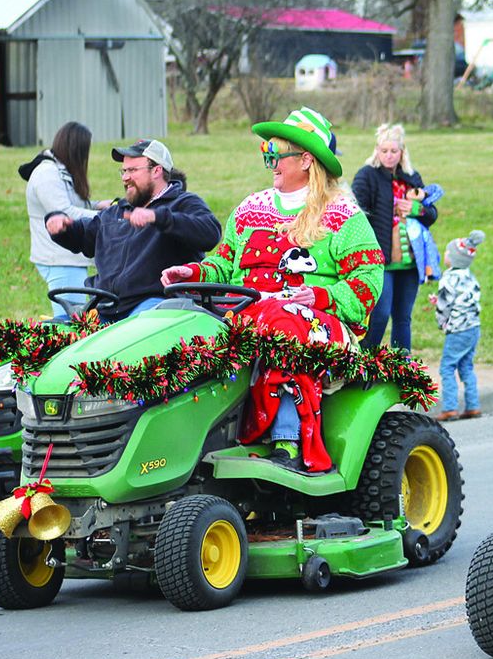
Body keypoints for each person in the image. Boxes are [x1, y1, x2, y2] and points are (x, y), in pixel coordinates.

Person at [160, 108, 383, 473]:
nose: (270, 164)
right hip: (247, 312)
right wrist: (193, 270)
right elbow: (224, 264)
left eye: (275, 156)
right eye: (267, 155)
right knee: (177, 321)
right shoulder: (251, 209)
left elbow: (369, 279)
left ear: (307, 160)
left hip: (318, 322)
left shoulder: (342, 214)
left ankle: (288, 438)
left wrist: (322, 297)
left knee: (281, 323)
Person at [45, 138, 221, 321]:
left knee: (127, 334)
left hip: (157, 305)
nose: (125, 177)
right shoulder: (115, 213)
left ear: (157, 171)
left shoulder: (183, 203)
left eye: (132, 170)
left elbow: (210, 233)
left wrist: (158, 217)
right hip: (105, 307)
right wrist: (61, 226)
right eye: (123, 171)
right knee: (49, 332)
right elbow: (84, 236)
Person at [352, 123, 439, 351]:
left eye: (394, 151)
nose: (389, 156)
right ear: (377, 151)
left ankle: (403, 371)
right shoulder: (367, 176)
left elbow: (431, 214)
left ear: (402, 152)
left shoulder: (411, 177)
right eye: (384, 151)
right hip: (381, 262)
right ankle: (365, 363)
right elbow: (355, 213)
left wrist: (415, 210)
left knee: (403, 318)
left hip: (409, 263)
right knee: (379, 314)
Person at [19, 121, 108, 319]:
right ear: (76, 149)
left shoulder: (58, 170)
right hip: (59, 258)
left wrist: (98, 204)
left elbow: (69, 203)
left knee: (73, 317)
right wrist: (110, 216)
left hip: (66, 258)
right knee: (70, 320)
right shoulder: (46, 175)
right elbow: (63, 212)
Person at [433, 230, 485, 422]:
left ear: (455, 257)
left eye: (448, 252)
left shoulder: (448, 278)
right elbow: (463, 300)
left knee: (447, 367)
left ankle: (450, 408)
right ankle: (473, 405)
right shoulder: (469, 277)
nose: (445, 254)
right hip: (473, 327)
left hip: (458, 329)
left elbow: (444, 306)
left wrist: (442, 324)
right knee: (466, 366)